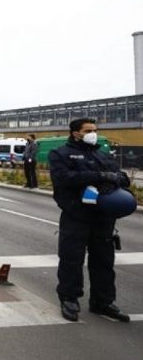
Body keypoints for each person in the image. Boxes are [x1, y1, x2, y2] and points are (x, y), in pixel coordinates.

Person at [49, 118, 130, 323]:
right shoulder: (60, 154)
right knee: (71, 260)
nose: (93, 133)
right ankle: (69, 298)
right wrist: (98, 176)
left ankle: (102, 302)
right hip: (76, 215)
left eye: (94, 130)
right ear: (75, 132)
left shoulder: (102, 154)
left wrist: (113, 179)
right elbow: (64, 179)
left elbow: (122, 178)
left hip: (103, 218)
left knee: (104, 262)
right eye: (88, 130)